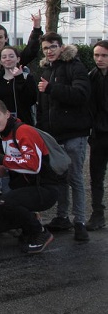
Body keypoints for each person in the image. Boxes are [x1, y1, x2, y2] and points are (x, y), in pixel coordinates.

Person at [0, 99, 63, 253]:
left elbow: (33, 165)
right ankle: (28, 228)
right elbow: (6, 168)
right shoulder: (2, 135)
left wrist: (0, 158)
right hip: (28, 188)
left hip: (45, 188)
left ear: (7, 114)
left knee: (7, 201)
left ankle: (40, 232)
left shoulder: (23, 131)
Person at [33, 32, 92, 241]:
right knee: (60, 178)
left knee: (75, 178)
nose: (49, 51)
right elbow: (43, 106)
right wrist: (42, 130)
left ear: (61, 47)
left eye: (53, 47)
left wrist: (51, 88)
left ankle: (80, 222)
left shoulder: (75, 66)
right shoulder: (47, 70)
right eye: (46, 48)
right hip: (54, 136)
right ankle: (62, 217)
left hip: (75, 133)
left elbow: (81, 95)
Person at [87, 40, 108, 230]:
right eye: (96, 55)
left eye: (104, 55)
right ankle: (97, 213)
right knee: (96, 176)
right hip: (99, 134)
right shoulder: (92, 76)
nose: (99, 59)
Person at [0, 46, 37, 125]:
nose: (8, 59)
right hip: (3, 123)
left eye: (11, 56)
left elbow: (31, 100)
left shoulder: (26, 77)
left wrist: (19, 78)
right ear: (0, 61)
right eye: (4, 57)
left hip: (23, 122)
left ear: (18, 59)